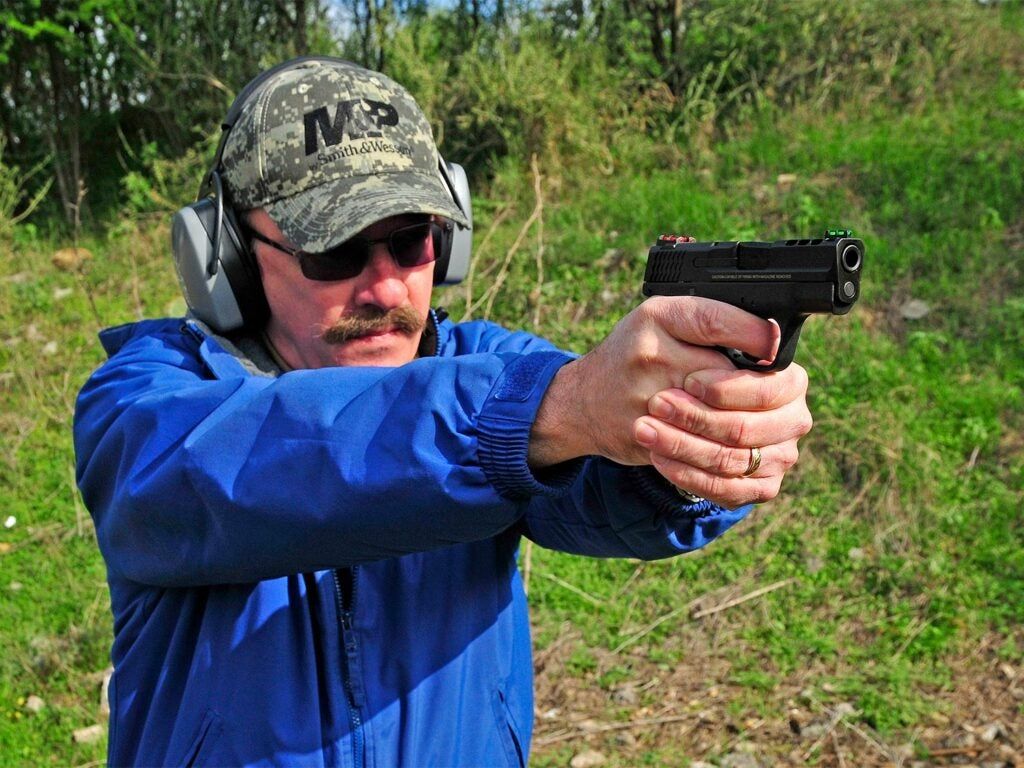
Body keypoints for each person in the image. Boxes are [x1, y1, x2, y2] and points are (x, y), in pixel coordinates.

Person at [74, 57, 811, 767]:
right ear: (225, 254)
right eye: (334, 252)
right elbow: (271, 462)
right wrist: (555, 410)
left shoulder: (485, 369)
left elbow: (604, 491)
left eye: (410, 241)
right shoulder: (146, 401)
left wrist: (689, 443)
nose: (388, 290)